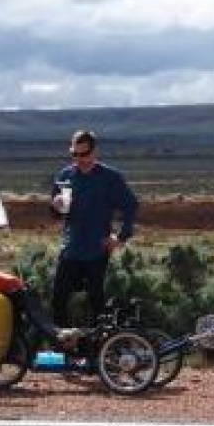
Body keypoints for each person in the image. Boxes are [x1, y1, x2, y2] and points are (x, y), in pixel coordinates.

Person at [49, 128, 138, 326]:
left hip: (97, 251)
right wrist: (55, 207)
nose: (80, 159)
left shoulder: (110, 178)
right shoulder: (65, 176)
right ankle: (63, 348)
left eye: (85, 154)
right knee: (58, 299)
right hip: (71, 249)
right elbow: (57, 214)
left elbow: (131, 205)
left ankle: (97, 350)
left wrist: (120, 237)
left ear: (95, 152)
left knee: (96, 302)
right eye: (75, 154)